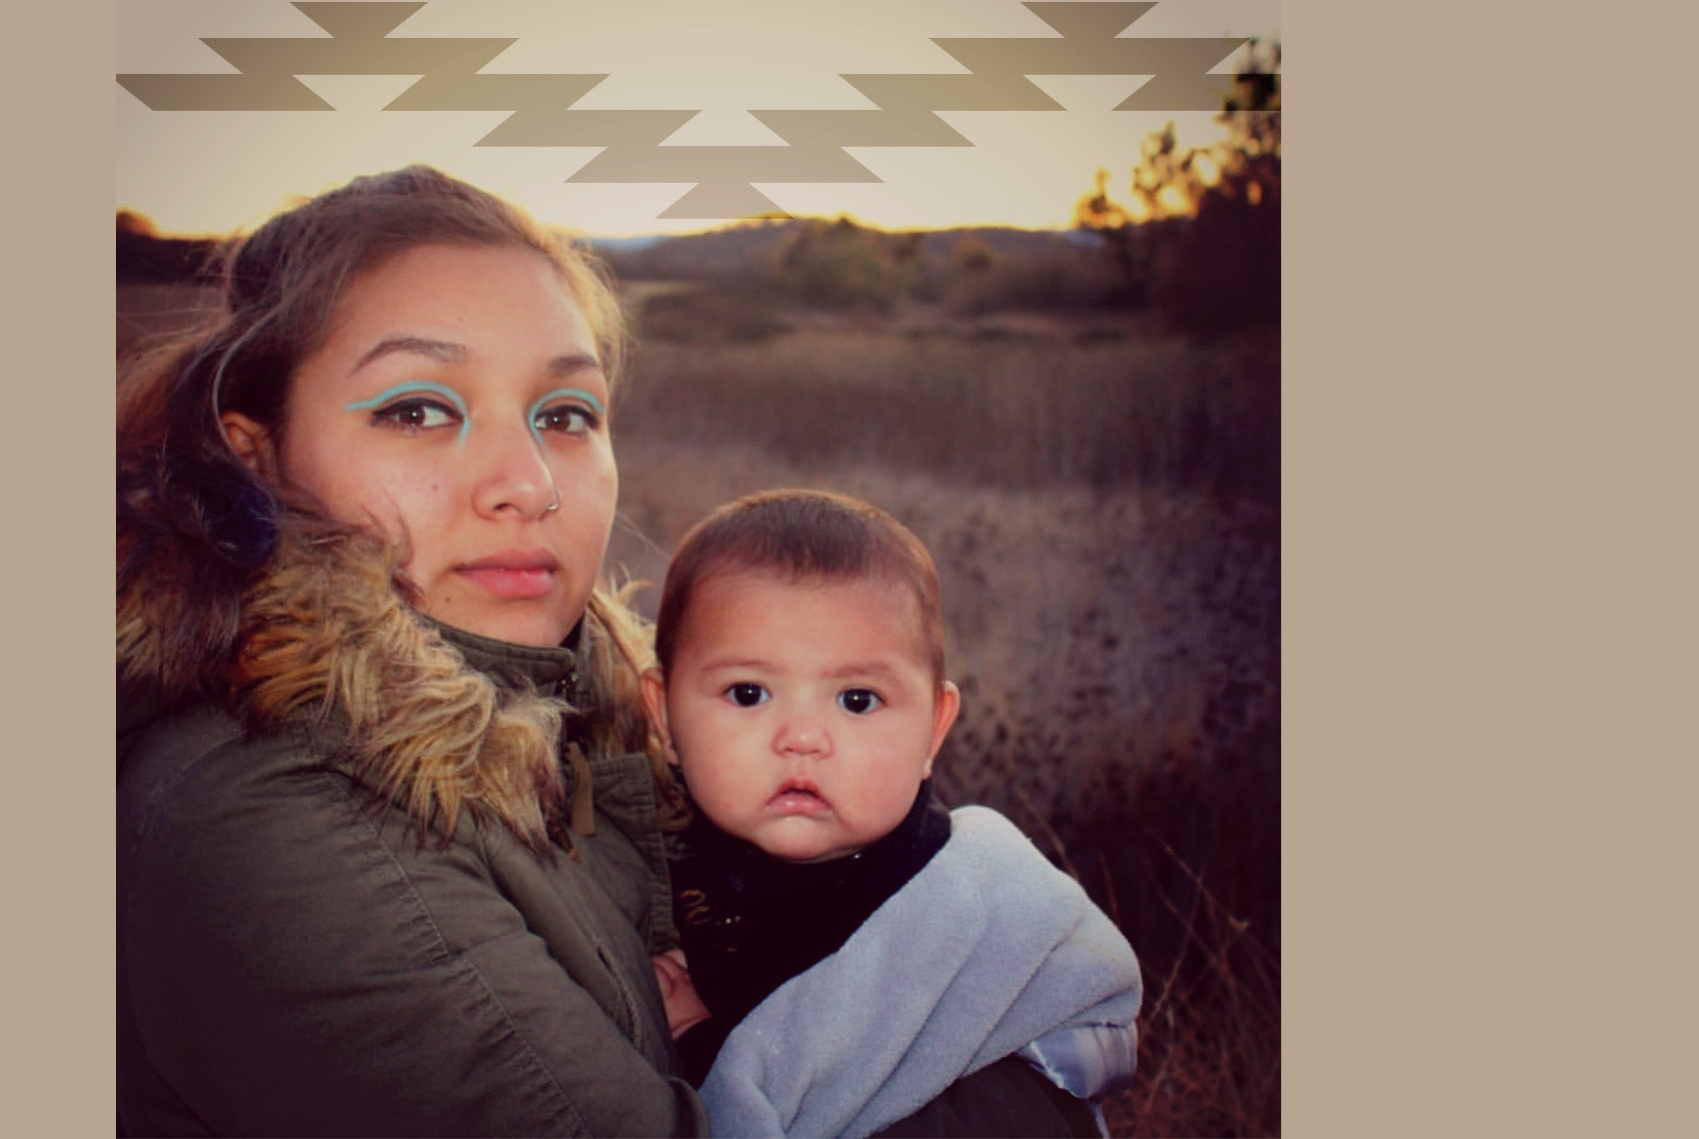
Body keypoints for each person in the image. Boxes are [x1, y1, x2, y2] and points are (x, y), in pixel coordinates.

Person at [116, 166, 706, 1136]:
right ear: (253, 453)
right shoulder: (279, 822)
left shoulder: (615, 720)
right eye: (418, 408)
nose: (526, 483)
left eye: (564, 415)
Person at [638, 489, 1143, 1138]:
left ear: (933, 730)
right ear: (664, 713)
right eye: (748, 692)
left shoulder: (968, 917)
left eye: (855, 699)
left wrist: (703, 1043)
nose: (801, 736)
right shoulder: (641, 874)